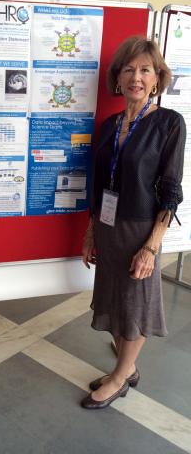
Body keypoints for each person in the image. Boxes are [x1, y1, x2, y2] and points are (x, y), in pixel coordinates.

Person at [81, 36, 186, 409]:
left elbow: (171, 191)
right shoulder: (109, 125)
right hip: (108, 228)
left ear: (158, 78)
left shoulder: (170, 123)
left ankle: (121, 376)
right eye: (128, 70)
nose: (135, 77)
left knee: (136, 305)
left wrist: (151, 246)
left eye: (144, 70)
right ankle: (126, 368)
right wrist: (91, 231)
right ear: (118, 78)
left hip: (141, 230)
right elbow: (99, 184)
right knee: (117, 300)